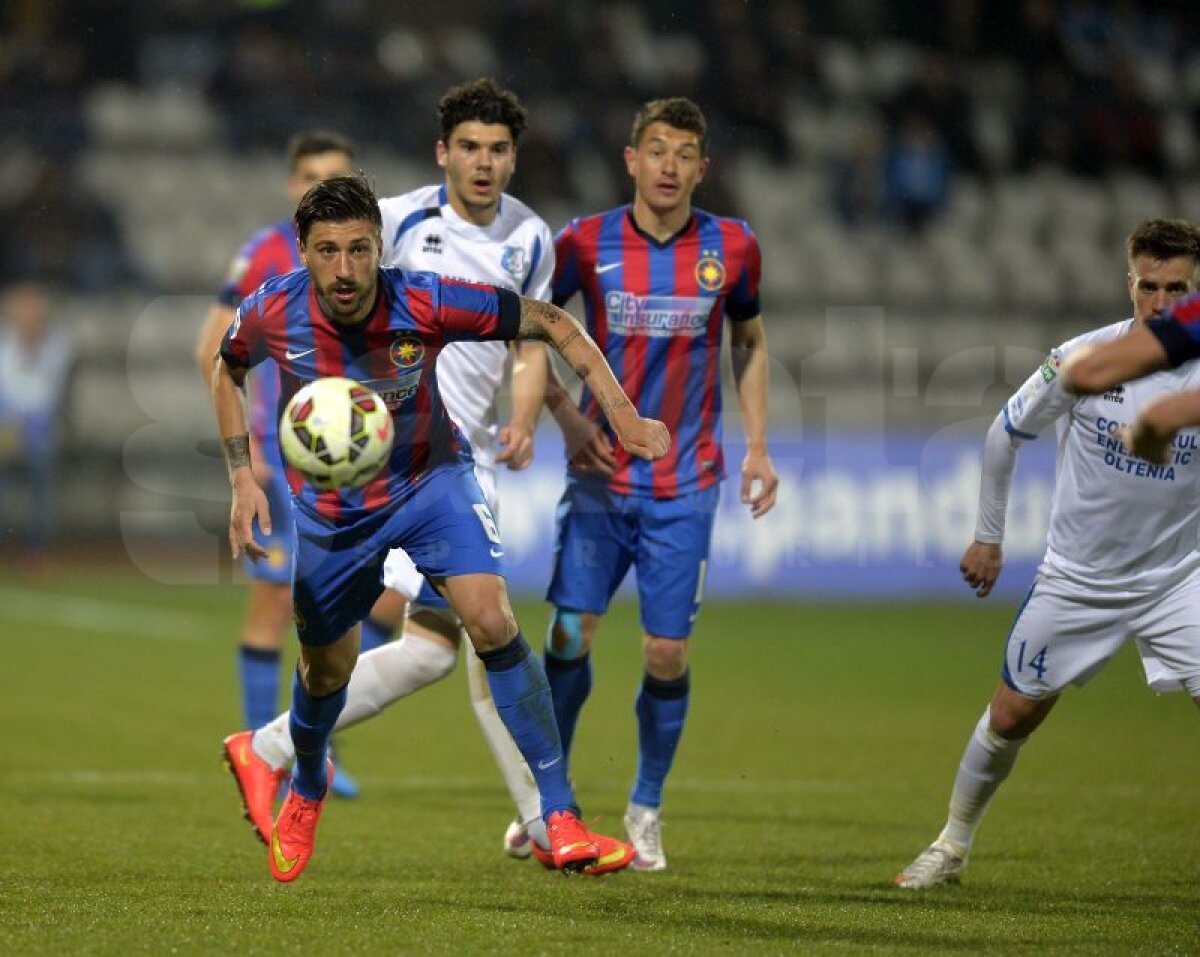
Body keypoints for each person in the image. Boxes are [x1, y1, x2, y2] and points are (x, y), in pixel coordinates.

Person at [210, 173, 669, 882]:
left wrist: (622, 413)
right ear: (301, 250)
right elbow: (227, 369)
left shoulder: (422, 298)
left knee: (490, 618)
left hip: (432, 481)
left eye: (359, 250)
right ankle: (306, 781)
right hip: (335, 511)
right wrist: (242, 476)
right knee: (325, 668)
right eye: (327, 251)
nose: (344, 269)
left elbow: (549, 321)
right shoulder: (272, 311)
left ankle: (561, 811)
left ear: (379, 245)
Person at [895, 219, 1200, 890]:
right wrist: (988, 534)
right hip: (1079, 580)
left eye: (1176, 287)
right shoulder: (1083, 360)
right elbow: (1004, 434)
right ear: (1130, 283)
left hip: (1180, 579)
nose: (1161, 301)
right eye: (1148, 286)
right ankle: (952, 843)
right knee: (1010, 716)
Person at [544, 97, 779, 871]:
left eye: (684, 153)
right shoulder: (583, 242)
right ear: (631, 159)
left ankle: (645, 806)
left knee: (666, 652)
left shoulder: (733, 246)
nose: (670, 165)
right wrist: (562, 418)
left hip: (686, 482)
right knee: (569, 634)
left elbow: (747, 340)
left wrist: (758, 448)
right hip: (602, 479)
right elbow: (532, 332)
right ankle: (554, 802)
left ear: (702, 169)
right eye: (657, 149)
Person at [195, 131, 363, 799]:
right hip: (280, 461)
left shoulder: (364, 253)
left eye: (336, 177)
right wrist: (252, 448)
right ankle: (262, 750)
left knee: (356, 606)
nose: (321, 187)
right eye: (311, 177)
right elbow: (213, 349)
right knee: (272, 604)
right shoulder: (267, 252)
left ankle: (312, 746)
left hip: (354, 465)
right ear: (293, 186)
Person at [0, 280, 73, 571]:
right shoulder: (5, 345)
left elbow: (54, 395)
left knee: (41, 483)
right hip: (6, 430)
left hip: (39, 432)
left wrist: (28, 428)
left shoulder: (58, 346)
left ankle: (36, 549)